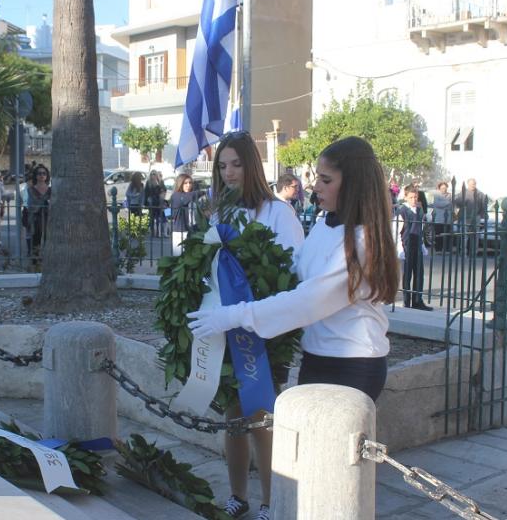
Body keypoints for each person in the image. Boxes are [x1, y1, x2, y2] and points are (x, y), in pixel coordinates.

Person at [187, 136, 399, 519]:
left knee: (336, 477)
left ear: (352, 184)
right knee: (316, 469)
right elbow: (293, 275)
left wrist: (233, 315)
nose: (315, 187)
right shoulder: (324, 226)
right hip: (318, 358)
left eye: (326, 180)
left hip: (354, 365)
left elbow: (307, 301)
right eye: (317, 177)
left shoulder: (362, 241)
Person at [190, 131, 305, 520]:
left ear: (252, 165)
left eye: (237, 164)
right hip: (225, 328)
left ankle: (272, 501)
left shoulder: (278, 213)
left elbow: (291, 272)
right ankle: (238, 495)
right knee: (234, 418)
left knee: (262, 418)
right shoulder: (220, 214)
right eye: (223, 166)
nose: (229, 173)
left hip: (265, 333)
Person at [398, 186, 432, 311]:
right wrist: (400, 248)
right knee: (407, 274)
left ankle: (417, 301)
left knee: (419, 273)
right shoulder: (402, 211)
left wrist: (422, 245)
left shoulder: (419, 210)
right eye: (411, 197)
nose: (414, 200)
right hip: (406, 245)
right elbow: (397, 231)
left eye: (415, 197)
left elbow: (420, 228)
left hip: (417, 244)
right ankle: (406, 301)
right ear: (406, 197)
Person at [169, 173, 204, 256]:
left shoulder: (191, 196)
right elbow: (190, 196)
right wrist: (205, 192)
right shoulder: (176, 195)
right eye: (185, 183)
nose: (188, 185)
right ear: (180, 184)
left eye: (190, 183)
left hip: (193, 231)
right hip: (180, 231)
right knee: (179, 257)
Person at [24, 164, 51, 263]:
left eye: (44, 173)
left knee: (48, 239)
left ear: (47, 175)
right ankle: (35, 262)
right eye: (39, 173)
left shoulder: (51, 190)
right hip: (35, 218)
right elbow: (29, 205)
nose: (42, 175)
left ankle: (47, 260)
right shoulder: (30, 190)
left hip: (48, 217)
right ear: (36, 175)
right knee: (35, 239)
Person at [453, 178, 488, 253]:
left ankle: (474, 252)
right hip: (465, 217)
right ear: (468, 184)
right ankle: (463, 251)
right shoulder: (463, 193)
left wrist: (481, 215)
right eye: (471, 184)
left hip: (476, 217)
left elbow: (484, 206)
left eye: (474, 184)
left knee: (475, 235)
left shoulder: (480, 194)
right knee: (464, 235)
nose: (473, 185)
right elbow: (456, 203)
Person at [431, 181, 453, 251]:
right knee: (439, 233)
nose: (444, 189)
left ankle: (446, 248)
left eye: (445, 188)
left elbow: (451, 206)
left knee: (447, 233)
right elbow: (437, 204)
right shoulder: (437, 195)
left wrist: (444, 204)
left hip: (448, 218)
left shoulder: (450, 195)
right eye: (442, 188)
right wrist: (447, 202)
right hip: (439, 218)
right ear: (439, 188)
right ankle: (438, 248)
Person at [144, 171, 166, 237]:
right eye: (151, 174)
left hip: (159, 202)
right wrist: (146, 202)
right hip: (151, 202)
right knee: (152, 217)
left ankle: (159, 232)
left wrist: (158, 185)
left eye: (154, 174)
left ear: (156, 175)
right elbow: (146, 192)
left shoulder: (160, 182)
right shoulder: (148, 182)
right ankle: (152, 231)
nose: (152, 175)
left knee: (159, 217)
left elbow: (164, 190)